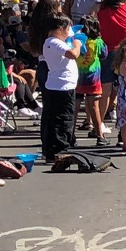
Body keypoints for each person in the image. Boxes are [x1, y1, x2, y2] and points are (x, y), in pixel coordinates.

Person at [39, 12, 80, 162]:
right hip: (61, 86)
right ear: (60, 28)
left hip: (61, 84)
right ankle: (60, 150)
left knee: (56, 119)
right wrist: (77, 44)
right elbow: (72, 54)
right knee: (63, 119)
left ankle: (52, 150)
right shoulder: (54, 42)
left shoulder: (53, 42)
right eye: (68, 29)